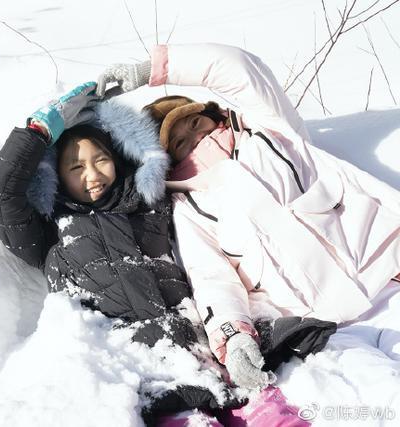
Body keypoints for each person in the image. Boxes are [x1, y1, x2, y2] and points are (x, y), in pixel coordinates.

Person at [0, 80, 334, 426]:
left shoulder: (151, 203)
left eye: (101, 159)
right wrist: (39, 131)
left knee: (276, 418)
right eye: (75, 167)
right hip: (151, 377)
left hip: (210, 353)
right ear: (55, 177)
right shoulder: (51, 231)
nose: (92, 174)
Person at [96, 42, 400, 391]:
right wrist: (234, 337)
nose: (197, 136)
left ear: (213, 115)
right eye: (179, 142)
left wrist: (152, 69)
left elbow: (241, 70)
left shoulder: (272, 133)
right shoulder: (191, 207)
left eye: (195, 122)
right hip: (327, 328)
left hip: (388, 276)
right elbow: (213, 279)